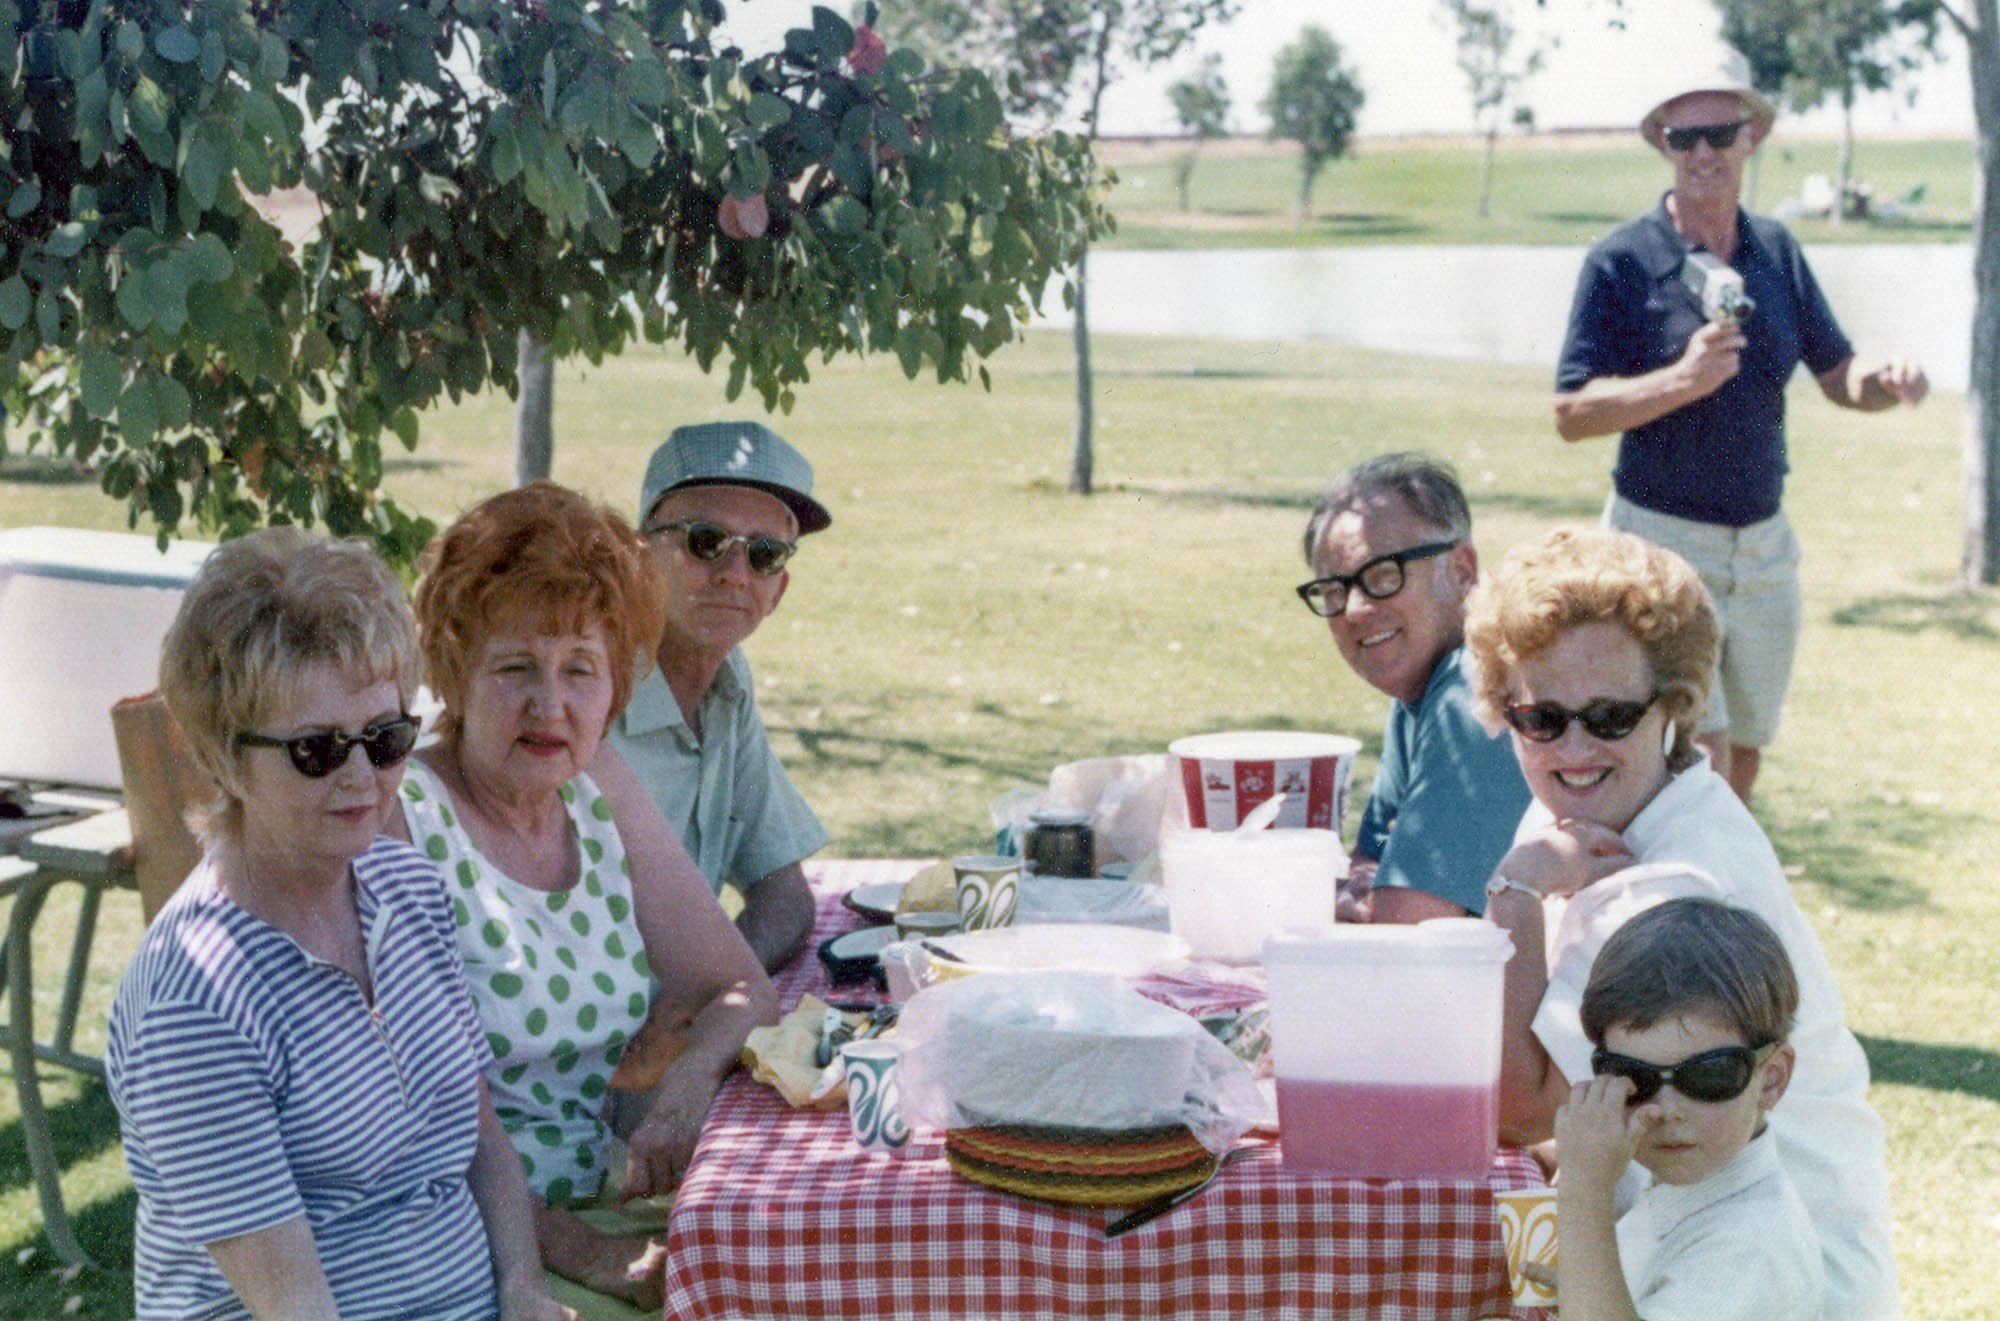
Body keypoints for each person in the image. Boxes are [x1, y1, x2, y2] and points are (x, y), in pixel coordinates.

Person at [106, 529, 571, 1321]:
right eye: (317, 750)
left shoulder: (408, 889)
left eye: (386, 739)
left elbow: (481, 1138)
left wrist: (524, 1288)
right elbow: (294, 1305)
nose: (363, 777)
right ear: (221, 756)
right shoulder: (193, 1001)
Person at [1466, 526, 1896, 1321]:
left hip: (1756, 1273)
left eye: (1610, 716)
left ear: (1673, 705)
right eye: (1542, 718)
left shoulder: (1677, 879)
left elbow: (1521, 1107)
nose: (1574, 748)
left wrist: (1515, 891)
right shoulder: (1603, 805)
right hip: (1662, 1228)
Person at [394, 482, 779, 1311]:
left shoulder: (594, 782)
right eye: (515, 668)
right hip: (461, 1245)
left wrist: (684, 1092)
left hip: (597, 1202)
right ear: (454, 673)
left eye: (580, 669)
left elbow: (741, 988)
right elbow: (406, 1121)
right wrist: (579, 1251)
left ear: (615, 687)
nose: (551, 705)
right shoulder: (406, 814)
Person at [1552, 38, 1928, 804]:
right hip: (1661, 540)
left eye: (1720, 133)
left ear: (1751, 137)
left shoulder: (1776, 250)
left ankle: (1719, 878)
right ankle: (1673, 879)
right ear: (1663, 144)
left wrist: (1886, 382)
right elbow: (1570, 413)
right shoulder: (1621, 261)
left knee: (1745, 754)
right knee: (1701, 749)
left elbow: (1839, 375)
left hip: (1763, 551)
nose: (1703, 153)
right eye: (1684, 136)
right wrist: (1681, 381)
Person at [608, 421, 832, 971]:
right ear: (640, 556)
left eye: (765, 554)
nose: (735, 574)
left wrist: (716, 991)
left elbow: (783, 891)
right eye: (705, 541)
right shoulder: (582, 693)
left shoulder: (727, 679)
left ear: (778, 591)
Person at [1549, 897, 1822, 1321]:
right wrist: (1580, 1286)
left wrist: (1585, 1193)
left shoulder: (1750, 1250)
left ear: (1771, 1079)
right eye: (1635, 1076)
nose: (1666, 1110)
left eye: (1708, 1075)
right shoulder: (1678, 1189)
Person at [1297, 453, 1530, 921]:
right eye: (1335, 591)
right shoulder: (1421, 685)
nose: (1355, 611)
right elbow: (1369, 861)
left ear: (1461, 570)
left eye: (1384, 575)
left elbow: (1407, 924)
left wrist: (1358, 896)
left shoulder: (1473, 689)